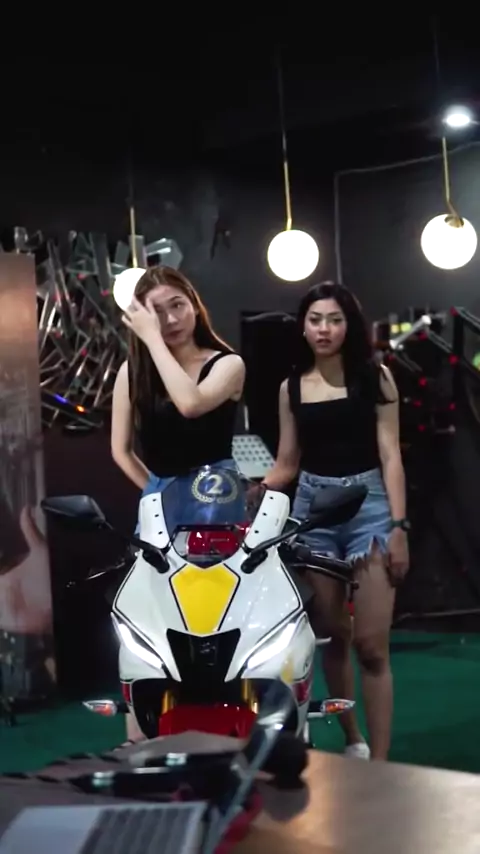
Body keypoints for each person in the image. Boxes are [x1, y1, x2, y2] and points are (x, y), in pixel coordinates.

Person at [263, 281, 409, 761]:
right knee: (332, 634)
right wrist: (250, 490)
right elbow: (287, 463)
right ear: (303, 327)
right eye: (315, 320)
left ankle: (381, 764)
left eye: (335, 319)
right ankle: (354, 740)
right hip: (314, 510)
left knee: (371, 644)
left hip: (370, 506)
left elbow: (391, 456)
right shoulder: (290, 388)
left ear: (350, 325)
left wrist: (399, 528)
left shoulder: (376, 378)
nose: (324, 329)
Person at [111, 266, 245, 742]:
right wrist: (157, 491)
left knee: (216, 614)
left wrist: (151, 341)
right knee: (152, 616)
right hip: (160, 508)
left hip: (218, 501)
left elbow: (190, 404)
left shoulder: (227, 364)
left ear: (195, 305)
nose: (169, 320)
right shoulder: (133, 371)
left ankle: (228, 720)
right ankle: (141, 736)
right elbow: (119, 450)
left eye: (177, 306)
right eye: (156, 312)